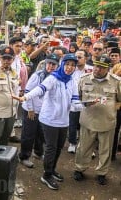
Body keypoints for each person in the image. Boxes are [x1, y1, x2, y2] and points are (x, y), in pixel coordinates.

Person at [13, 54, 82, 190]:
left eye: (73, 65)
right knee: (50, 147)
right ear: (62, 65)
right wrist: (25, 97)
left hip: (63, 121)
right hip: (49, 119)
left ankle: (52, 169)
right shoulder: (53, 78)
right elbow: (40, 89)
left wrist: (87, 105)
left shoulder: (72, 81)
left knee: (58, 147)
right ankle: (46, 175)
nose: (69, 68)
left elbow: (75, 101)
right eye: (67, 64)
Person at [74, 55, 121, 185]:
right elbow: (77, 97)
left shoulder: (116, 81)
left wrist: (112, 109)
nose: (97, 69)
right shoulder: (84, 79)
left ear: (108, 69)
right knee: (83, 147)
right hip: (88, 121)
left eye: (101, 67)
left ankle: (102, 173)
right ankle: (79, 168)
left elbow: (120, 100)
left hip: (107, 122)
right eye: (96, 66)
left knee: (105, 150)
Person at [19, 53, 60, 168]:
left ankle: (38, 152)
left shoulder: (56, 78)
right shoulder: (37, 76)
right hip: (31, 109)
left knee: (41, 134)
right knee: (28, 134)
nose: (51, 66)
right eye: (49, 64)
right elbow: (28, 92)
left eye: (54, 65)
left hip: (44, 111)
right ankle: (24, 156)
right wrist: (31, 109)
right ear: (45, 64)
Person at [67, 50, 93, 153]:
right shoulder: (71, 69)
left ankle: (86, 146)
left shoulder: (91, 70)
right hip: (74, 101)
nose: (77, 59)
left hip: (88, 101)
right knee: (72, 123)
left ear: (86, 58)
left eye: (79, 57)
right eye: (76, 57)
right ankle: (72, 143)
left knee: (87, 124)